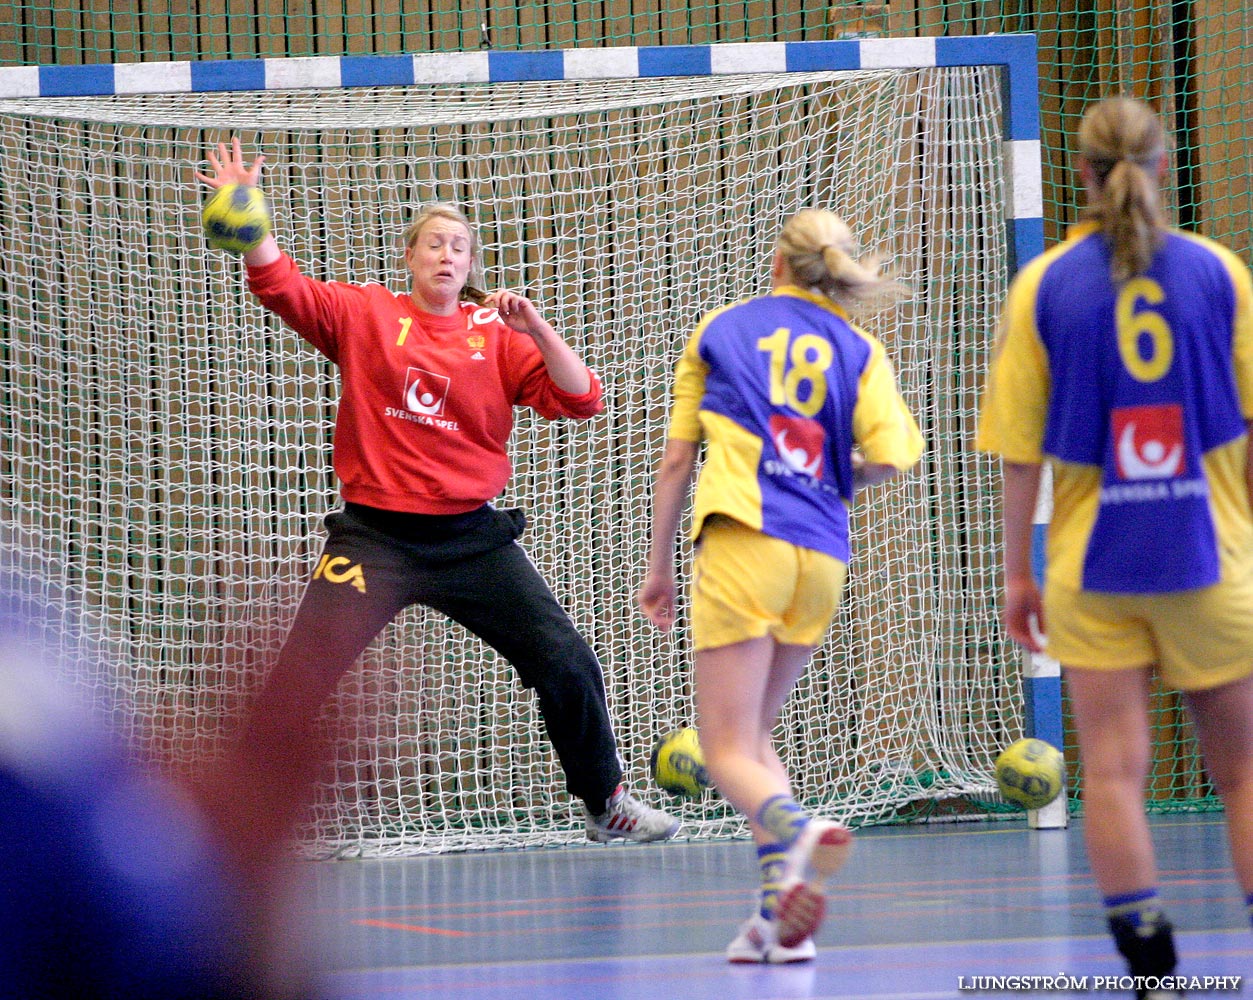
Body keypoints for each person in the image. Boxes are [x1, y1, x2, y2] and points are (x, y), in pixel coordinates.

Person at [192, 139, 678, 869]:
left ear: (470, 264)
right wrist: (249, 219)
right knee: (296, 677)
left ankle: (605, 803)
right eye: (433, 244)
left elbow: (583, 400)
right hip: (374, 541)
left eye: (459, 246)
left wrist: (537, 328)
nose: (446, 255)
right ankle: (233, 819)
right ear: (410, 257)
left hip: (471, 542)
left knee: (566, 661)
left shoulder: (498, 338)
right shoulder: (365, 315)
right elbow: (282, 285)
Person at [977, 96, 1253, 998]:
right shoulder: (1218, 272)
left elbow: (1021, 456)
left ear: (1083, 175)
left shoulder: (1044, 285)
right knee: (1244, 771)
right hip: (1209, 553)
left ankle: (1153, 976)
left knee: (1110, 774)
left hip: (1093, 566)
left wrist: (1017, 571)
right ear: (1164, 164)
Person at [638, 208, 924, 963]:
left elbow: (675, 463)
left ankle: (801, 828)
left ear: (775, 262)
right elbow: (893, 459)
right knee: (755, 737)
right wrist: (834, 474)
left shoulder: (720, 329)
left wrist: (657, 565)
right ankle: (774, 924)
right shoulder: (858, 347)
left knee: (723, 744)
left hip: (743, 539)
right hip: (823, 554)